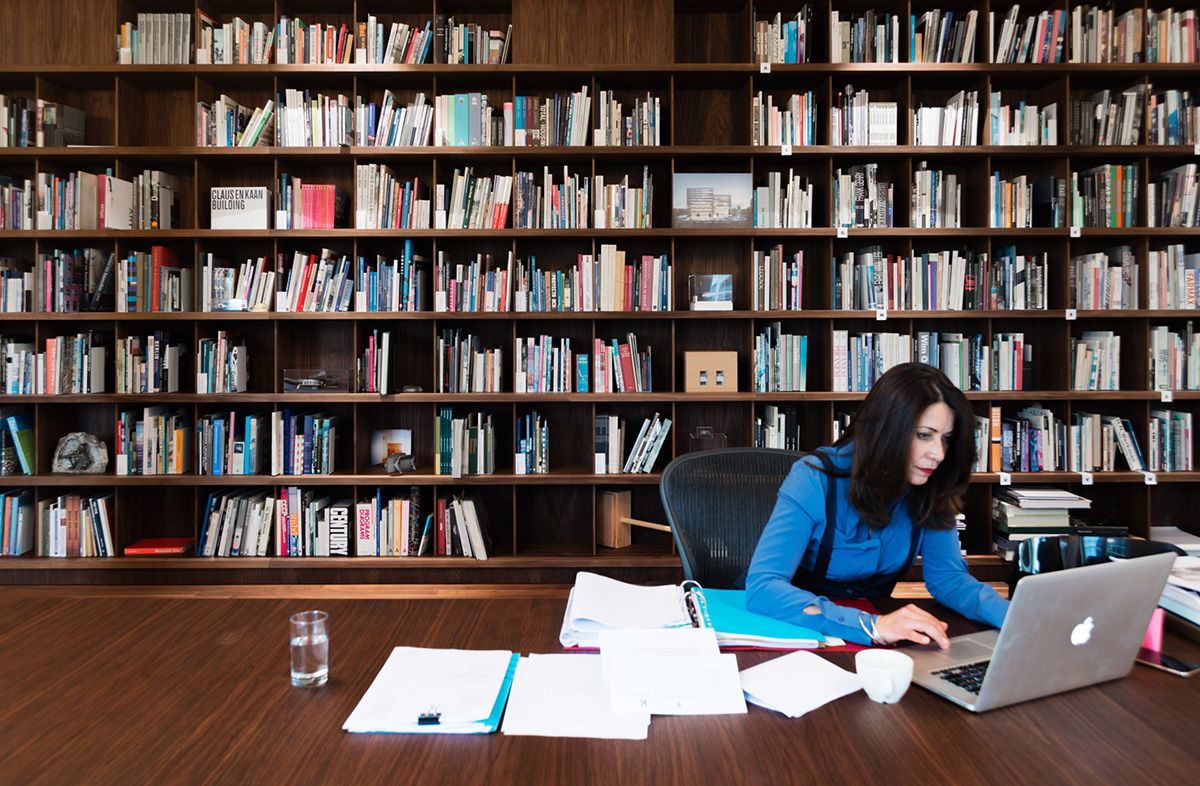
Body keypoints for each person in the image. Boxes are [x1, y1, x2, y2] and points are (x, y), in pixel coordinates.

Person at [744, 362, 1009, 648]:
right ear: (887, 430)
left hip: (877, 635)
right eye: (924, 435)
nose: (939, 454)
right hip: (795, 632)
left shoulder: (930, 485)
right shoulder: (813, 477)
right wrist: (872, 625)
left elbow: (949, 580)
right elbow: (763, 587)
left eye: (946, 439)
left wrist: (1017, 617)